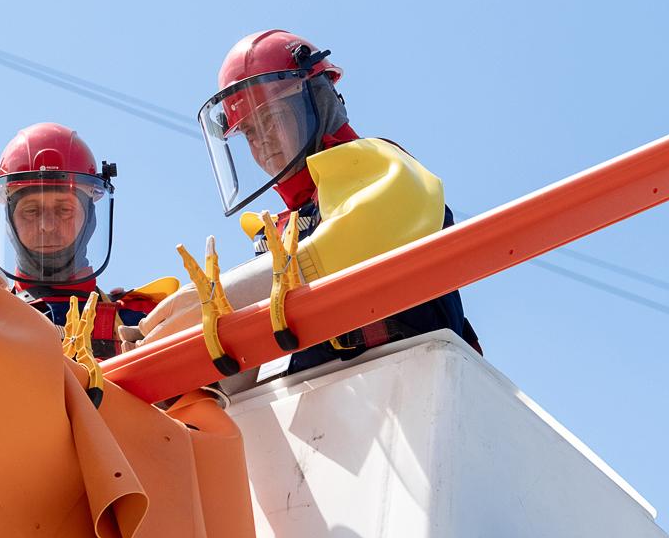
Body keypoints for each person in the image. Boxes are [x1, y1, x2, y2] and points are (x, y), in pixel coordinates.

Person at [129, 30, 479, 372]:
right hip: (324, 409)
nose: (262, 141)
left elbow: (355, 242)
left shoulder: (384, 168)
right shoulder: (283, 231)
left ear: (316, 102)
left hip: (418, 384)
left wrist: (226, 298)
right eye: (249, 131)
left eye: (270, 118)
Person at [0, 122, 167, 359]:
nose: (46, 225)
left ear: (90, 217)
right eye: (31, 211)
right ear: (9, 220)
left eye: (64, 210)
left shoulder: (144, 323)